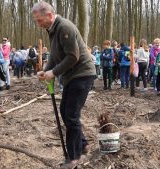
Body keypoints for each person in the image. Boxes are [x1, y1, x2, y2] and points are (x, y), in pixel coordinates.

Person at [32, 2, 96, 168]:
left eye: (39, 20)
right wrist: (46, 70)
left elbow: (72, 56)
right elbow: (55, 55)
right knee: (66, 112)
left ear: (49, 15)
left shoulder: (64, 27)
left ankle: (73, 158)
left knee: (71, 114)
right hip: (71, 76)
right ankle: (82, 144)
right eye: (36, 21)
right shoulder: (52, 29)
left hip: (82, 74)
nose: (38, 24)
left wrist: (53, 73)